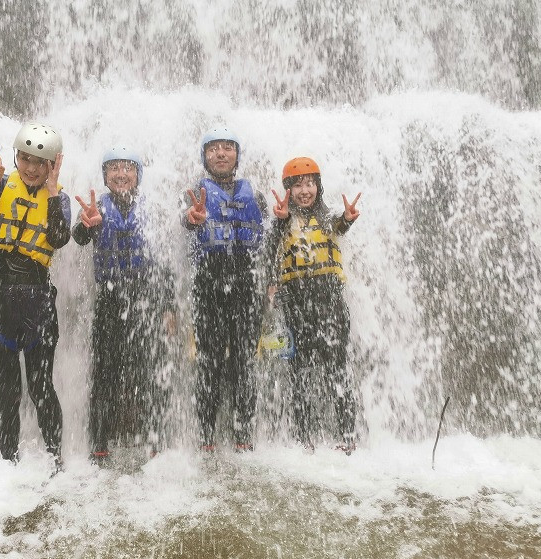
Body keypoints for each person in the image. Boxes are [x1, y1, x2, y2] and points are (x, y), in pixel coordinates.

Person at [0, 122, 71, 470]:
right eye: (25, 158)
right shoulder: (0, 186)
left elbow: (58, 238)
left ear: (51, 165)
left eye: (39, 162)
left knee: (41, 386)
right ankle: (8, 463)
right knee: (8, 388)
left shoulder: (60, 199)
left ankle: (56, 459)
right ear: (17, 158)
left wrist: (54, 190)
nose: (30, 167)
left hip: (37, 301)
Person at [73, 147, 175, 464]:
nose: (120, 174)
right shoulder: (94, 208)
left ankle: (155, 438)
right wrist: (87, 226)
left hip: (146, 296)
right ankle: (99, 442)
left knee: (149, 369)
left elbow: (164, 263)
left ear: (137, 175)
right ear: (105, 176)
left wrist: (169, 306)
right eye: (113, 169)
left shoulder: (152, 211)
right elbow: (78, 237)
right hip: (110, 298)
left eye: (127, 168)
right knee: (104, 372)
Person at [182, 127, 268, 452]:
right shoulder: (193, 193)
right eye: (213, 148)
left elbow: (267, 240)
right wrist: (192, 219)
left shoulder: (255, 196)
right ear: (205, 157)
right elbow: (185, 222)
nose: (220, 153)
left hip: (245, 282)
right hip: (208, 281)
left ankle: (243, 435)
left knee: (244, 361)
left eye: (227, 148)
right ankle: (206, 436)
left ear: (236, 155)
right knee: (210, 360)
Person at [268, 157, 361, 454]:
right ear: (288, 190)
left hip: (330, 300)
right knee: (300, 373)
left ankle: (348, 436)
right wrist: (280, 219)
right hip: (296, 303)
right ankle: (304, 439)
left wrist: (348, 218)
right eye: (297, 185)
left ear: (318, 187)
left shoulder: (328, 218)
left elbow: (341, 227)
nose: (304, 190)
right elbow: (271, 246)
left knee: (337, 369)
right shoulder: (282, 224)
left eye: (309, 184)